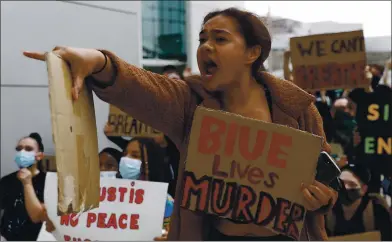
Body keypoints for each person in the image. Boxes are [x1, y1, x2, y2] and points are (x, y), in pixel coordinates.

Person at [24, 7, 337, 241]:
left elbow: (326, 180)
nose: (206, 47)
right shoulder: (190, 103)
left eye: (220, 38)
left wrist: (322, 198)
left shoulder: (299, 110)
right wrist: (98, 62)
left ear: (253, 52)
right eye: (202, 39)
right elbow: (140, 87)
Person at [118, 137, 173, 240]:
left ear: (151, 160)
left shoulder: (165, 203)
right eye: (124, 154)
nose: (126, 159)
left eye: (135, 155)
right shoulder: (107, 196)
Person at [325, 164, 392, 241]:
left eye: (351, 184)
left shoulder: (377, 210)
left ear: (364, 189)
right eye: (341, 183)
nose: (345, 187)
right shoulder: (326, 210)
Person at [0, 133, 47, 241]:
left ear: (39, 156)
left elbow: (41, 217)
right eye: (19, 149)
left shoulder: (48, 182)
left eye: (28, 149)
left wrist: (27, 183)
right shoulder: (6, 181)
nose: (22, 153)